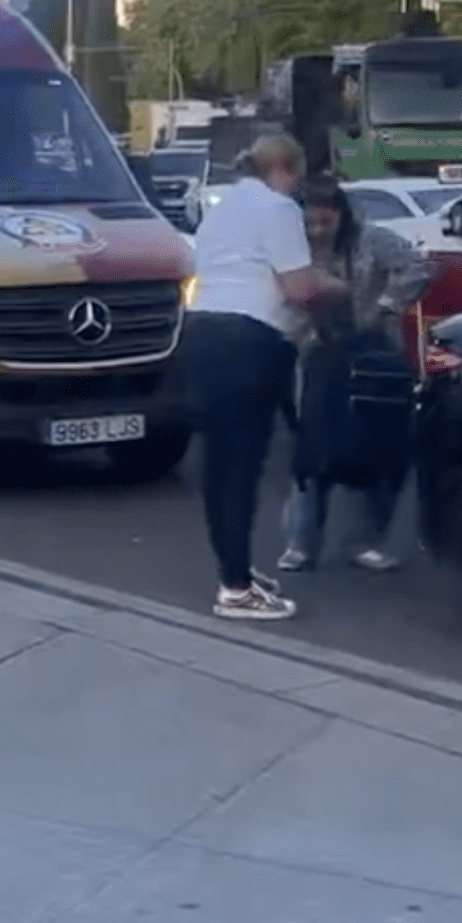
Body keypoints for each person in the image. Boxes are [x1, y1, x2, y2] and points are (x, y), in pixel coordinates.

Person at [185, 133, 344, 622]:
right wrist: (339, 287)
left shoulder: (223, 208)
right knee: (243, 469)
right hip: (250, 342)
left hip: (201, 334)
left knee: (217, 466)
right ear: (287, 171)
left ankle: (233, 570)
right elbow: (298, 288)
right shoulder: (279, 210)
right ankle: (235, 589)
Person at [278, 179, 428, 574]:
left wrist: (385, 306)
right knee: (312, 452)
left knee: (379, 448)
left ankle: (365, 542)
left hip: (372, 356)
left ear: (341, 216)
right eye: (310, 225)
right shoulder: (290, 250)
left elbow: (418, 266)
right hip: (315, 357)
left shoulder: (373, 240)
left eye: (325, 223)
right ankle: (302, 543)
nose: (317, 232)